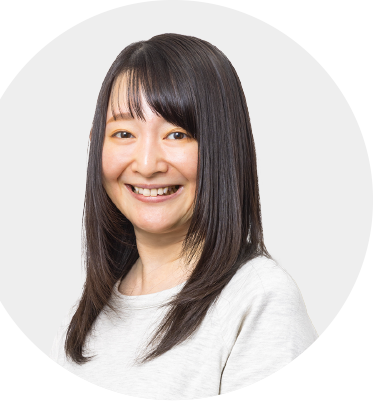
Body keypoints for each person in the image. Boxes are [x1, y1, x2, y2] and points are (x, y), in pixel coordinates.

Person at [50, 33, 318, 398]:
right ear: (96, 142)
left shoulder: (258, 300)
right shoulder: (81, 321)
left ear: (223, 148)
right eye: (124, 133)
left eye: (177, 134)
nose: (147, 164)